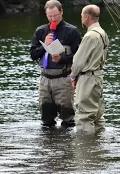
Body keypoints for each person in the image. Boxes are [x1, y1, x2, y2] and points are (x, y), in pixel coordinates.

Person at [30, 0, 82, 128]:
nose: (53, 19)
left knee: (68, 116)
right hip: (45, 78)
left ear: (62, 12)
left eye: (56, 15)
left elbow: (79, 56)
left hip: (63, 78)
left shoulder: (72, 31)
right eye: (50, 16)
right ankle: (49, 145)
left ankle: (67, 145)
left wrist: (62, 59)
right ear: (46, 15)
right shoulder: (41, 31)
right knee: (46, 116)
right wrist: (45, 46)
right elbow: (33, 55)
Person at [70, 4, 109, 134]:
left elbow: (78, 60)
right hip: (98, 76)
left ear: (86, 16)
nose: (81, 19)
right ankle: (98, 146)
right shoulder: (102, 33)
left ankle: (85, 150)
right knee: (97, 115)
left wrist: (73, 76)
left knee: (84, 116)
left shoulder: (90, 36)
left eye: (82, 16)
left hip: (87, 78)